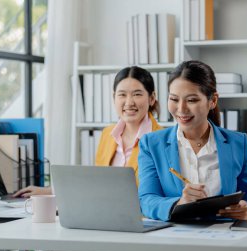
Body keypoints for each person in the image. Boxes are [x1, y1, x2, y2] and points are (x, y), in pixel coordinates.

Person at [138, 60, 247, 221]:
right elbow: (146, 200)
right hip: (174, 236)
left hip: (224, 235)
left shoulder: (239, 144)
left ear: (213, 100)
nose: (181, 109)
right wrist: (179, 203)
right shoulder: (151, 144)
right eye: (174, 99)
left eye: (191, 100)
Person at [14, 66, 162, 197]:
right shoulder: (108, 135)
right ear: (113, 97)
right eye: (122, 94)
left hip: (144, 219)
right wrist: (50, 191)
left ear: (152, 98)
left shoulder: (162, 139)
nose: (129, 102)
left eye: (137, 94)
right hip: (106, 215)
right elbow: (97, 183)